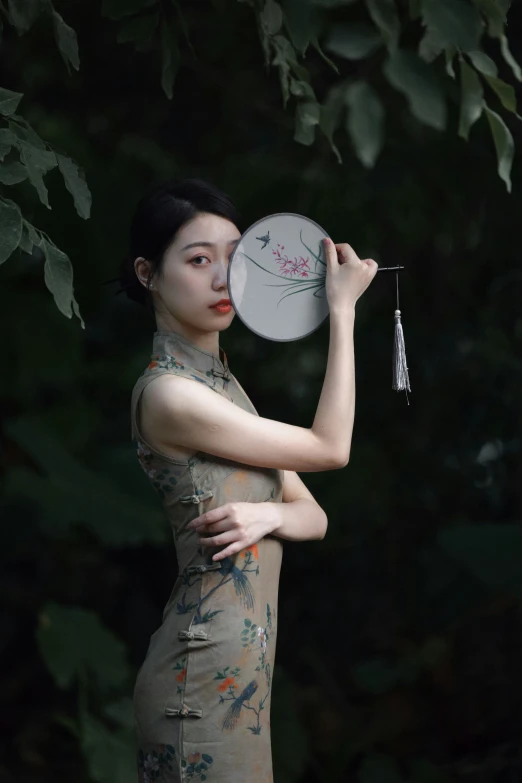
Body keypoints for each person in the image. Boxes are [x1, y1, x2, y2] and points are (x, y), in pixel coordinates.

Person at [117, 177, 378, 782]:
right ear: (148, 273)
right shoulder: (170, 396)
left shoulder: (225, 392)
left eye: (235, 260)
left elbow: (315, 516)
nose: (221, 279)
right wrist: (341, 310)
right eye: (198, 259)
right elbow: (330, 448)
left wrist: (270, 515)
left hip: (243, 676)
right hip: (199, 676)